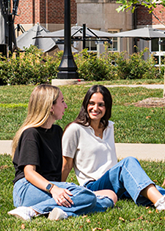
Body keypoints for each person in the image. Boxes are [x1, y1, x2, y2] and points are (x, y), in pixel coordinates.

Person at [61, 84, 165, 214]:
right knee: (128, 163)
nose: (95, 108)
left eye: (101, 104)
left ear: (107, 107)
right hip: (94, 186)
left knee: (147, 187)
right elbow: (66, 165)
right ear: (85, 104)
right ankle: (162, 203)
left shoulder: (109, 127)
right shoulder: (75, 129)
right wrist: (57, 191)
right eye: (91, 103)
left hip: (116, 183)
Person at [8, 84, 117, 222]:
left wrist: (59, 188)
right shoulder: (31, 134)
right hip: (27, 189)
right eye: (62, 101)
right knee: (88, 197)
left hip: (50, 187)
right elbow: (29, 173)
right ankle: (31, 210)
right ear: (51, 107)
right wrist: (54, 188)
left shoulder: (57, 132)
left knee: (110, 196)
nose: (65, 106)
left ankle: (62, 212)